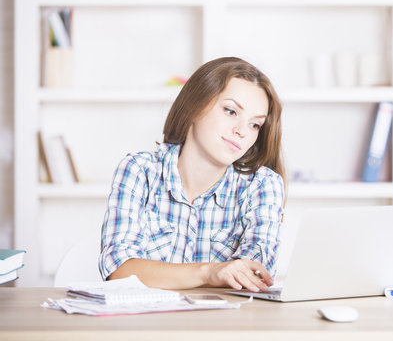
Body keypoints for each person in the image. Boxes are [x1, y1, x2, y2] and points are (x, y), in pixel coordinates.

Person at [98, 57, 285, 293]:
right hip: (147, 327)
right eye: (230, 111)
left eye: (255, 125)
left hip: (223, 328)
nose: (241, 131)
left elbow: (252, 276)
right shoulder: (139, 170)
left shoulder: (262, 185)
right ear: (195, 105)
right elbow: (119, 272)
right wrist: (210, 272)